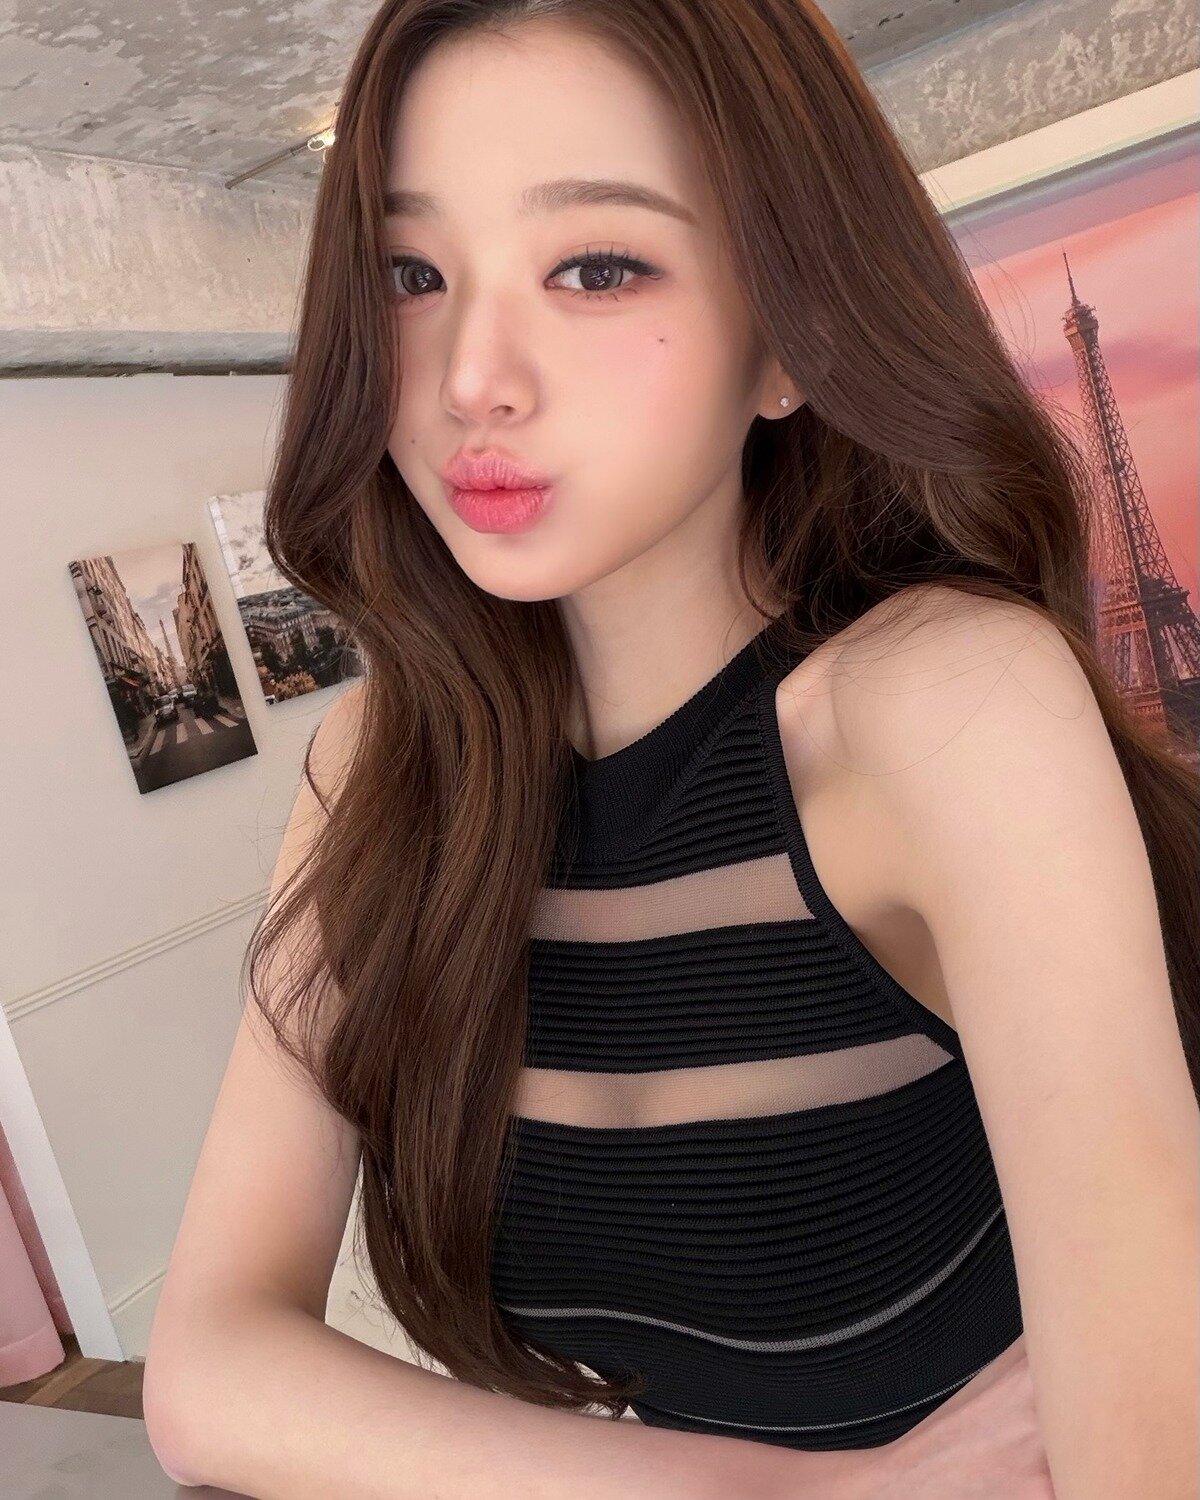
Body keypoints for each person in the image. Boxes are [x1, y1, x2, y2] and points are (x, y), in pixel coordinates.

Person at [142, 2, 1200, 1497]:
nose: (471, 377)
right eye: (411, 274)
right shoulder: (383, 767)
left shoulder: (942, 708)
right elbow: (206, 1374)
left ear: (785, 342)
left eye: (596, 266)